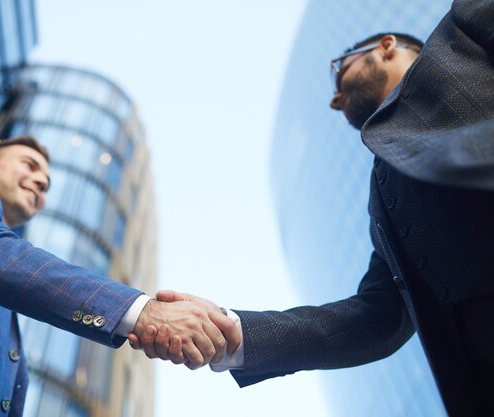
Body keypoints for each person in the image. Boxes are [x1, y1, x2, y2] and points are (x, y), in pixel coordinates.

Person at [132, 1, 494, 415]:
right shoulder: (384, 200)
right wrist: (236, 332)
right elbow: (379, 318)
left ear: (387, 45)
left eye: (341, 70)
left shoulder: (461, 33)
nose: (335, 100)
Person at [0, 136, 239, 416]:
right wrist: (140, 311)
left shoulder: (5, 282)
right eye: (29, 165)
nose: (40, 182)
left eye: (45, 182)